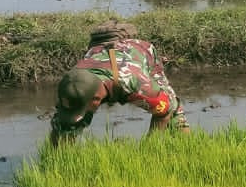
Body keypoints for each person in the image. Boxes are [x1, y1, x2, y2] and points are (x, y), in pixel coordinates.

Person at [49, 22, 190, 146]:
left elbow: (163, 113)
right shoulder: (72, 84)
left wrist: (149, 149)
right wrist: (57, 159)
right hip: (102, 55)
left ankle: (187, 151)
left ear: (96, 100)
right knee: (70, 123)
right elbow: (61, 124)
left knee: (174, 111)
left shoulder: (137, 84)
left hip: (139, 55)